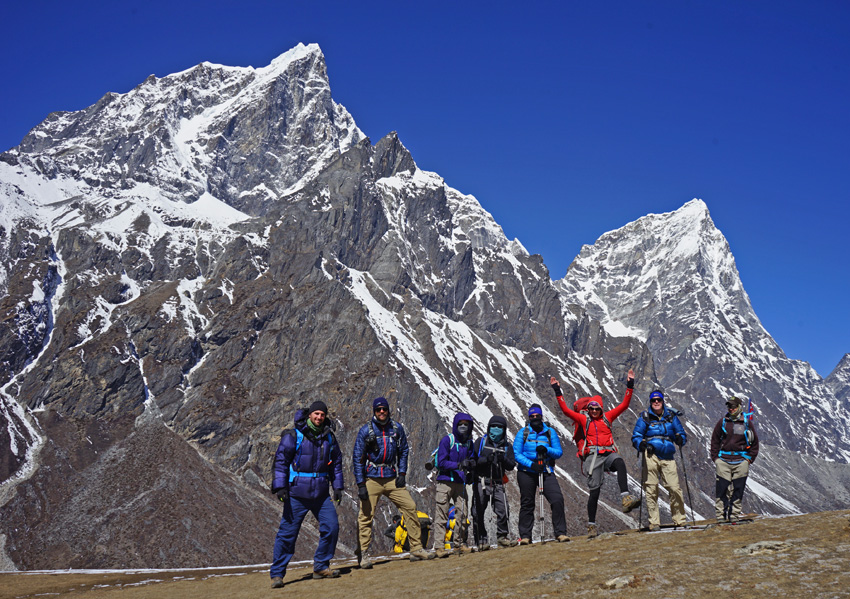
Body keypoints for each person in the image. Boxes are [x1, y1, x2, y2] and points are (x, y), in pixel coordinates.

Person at [551, 370, 640, 537]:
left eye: (596, 408)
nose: (593, 411)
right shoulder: (584, 420)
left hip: (608, 454)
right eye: (590, 408)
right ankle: (591, 525)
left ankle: (625, 497)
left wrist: (630, 385)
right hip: (592, 457)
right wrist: (557, 390)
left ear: (601, 409)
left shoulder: (608, 417)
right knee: (595, 492)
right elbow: (565, 410)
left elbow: (624, 405)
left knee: (620, 462)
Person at [270, 401, 344, 588]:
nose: (319, 417)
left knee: (332, 527)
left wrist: (337, 487)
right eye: (316, 414)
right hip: (296, 494)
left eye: (322, 415)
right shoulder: (293, 436)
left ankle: (321, 566)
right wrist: (280, 487)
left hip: (320, 494)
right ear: (309, 415)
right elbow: (280, 461)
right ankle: (277, 574)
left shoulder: (328, 437)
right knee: (287, 534)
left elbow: (336, 463)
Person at [353, 397, 434, 567]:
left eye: (384, 409)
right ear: (374, 411)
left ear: (388, 410)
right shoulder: (365, 431)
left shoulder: (396, 429)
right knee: (366, 515)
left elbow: (403, 450)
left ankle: (416, 548)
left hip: (391, 477)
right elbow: (357, 458)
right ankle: (363, 553)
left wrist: (402, 473)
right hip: (372, 477)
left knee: (410, 507)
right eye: (378, 409)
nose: (382, 412)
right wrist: (361, 484)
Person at [631, 390, 688, 531]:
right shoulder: (644, 418)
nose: (656, 402)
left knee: (674, 488)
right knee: (651, 488)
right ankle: (654, 522)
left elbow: (680, 433)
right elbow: (636, 436)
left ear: (663, 401)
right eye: (653, 400)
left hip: (668, 456)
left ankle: (679, 519)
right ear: (650, 402)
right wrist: (640, 444)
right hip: (651, 455)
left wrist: (681, 438)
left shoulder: (671, 417)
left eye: (659, 400)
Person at [513, 404, 568, 544]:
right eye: (532, 416)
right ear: (528, 418)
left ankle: (560, 533)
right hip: (526, 471)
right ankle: (525, 536)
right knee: (527, 503)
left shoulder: (550, 432)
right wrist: (531, 464)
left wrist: (547, 450)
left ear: (541, 416)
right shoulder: (523, 433)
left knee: (557, 499)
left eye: (537, 416)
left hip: (546, 470)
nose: (535, 418)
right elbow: (516, 454)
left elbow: (559, 452)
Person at [431, 412, 475, 557]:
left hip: (460, 481)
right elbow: (440, 462)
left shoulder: (469, 443)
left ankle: (459, 543)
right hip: (445, 481)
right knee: (442, 514)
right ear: (456, 425)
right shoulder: (447, 441)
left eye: (466, 424)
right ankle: (439, 546)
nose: (463, 427)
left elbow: (472, 458)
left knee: (462, 514)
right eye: (460, 424)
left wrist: (471, 467)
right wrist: (458, 465)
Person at [471, 415, 517, 550]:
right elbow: (473, 461)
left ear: (504, 429)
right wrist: (486, 460)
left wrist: (503, 459)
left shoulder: (507, 446)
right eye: (493, 426)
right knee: (477, 510)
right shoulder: (481, 442)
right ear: (488, 427)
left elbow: (511, 465)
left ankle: (502, 537)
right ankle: (481, 539)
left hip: (498, 482)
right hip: (482, 481)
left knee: (503, 509)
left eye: (500, 427)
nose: (496, 429)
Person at [710, 396, 759, 522]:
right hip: (724, 460)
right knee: (722, 489)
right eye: (729, 406)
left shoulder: (747, 423)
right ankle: (721, 516)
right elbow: (715, 440)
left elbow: (755, 443)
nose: (731, 409)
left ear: (739, 407)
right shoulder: (723, 422)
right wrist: (716, 458)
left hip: (741, 461)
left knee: (738, 489)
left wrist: (749, 459)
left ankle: (734, 516)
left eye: (733, 406)